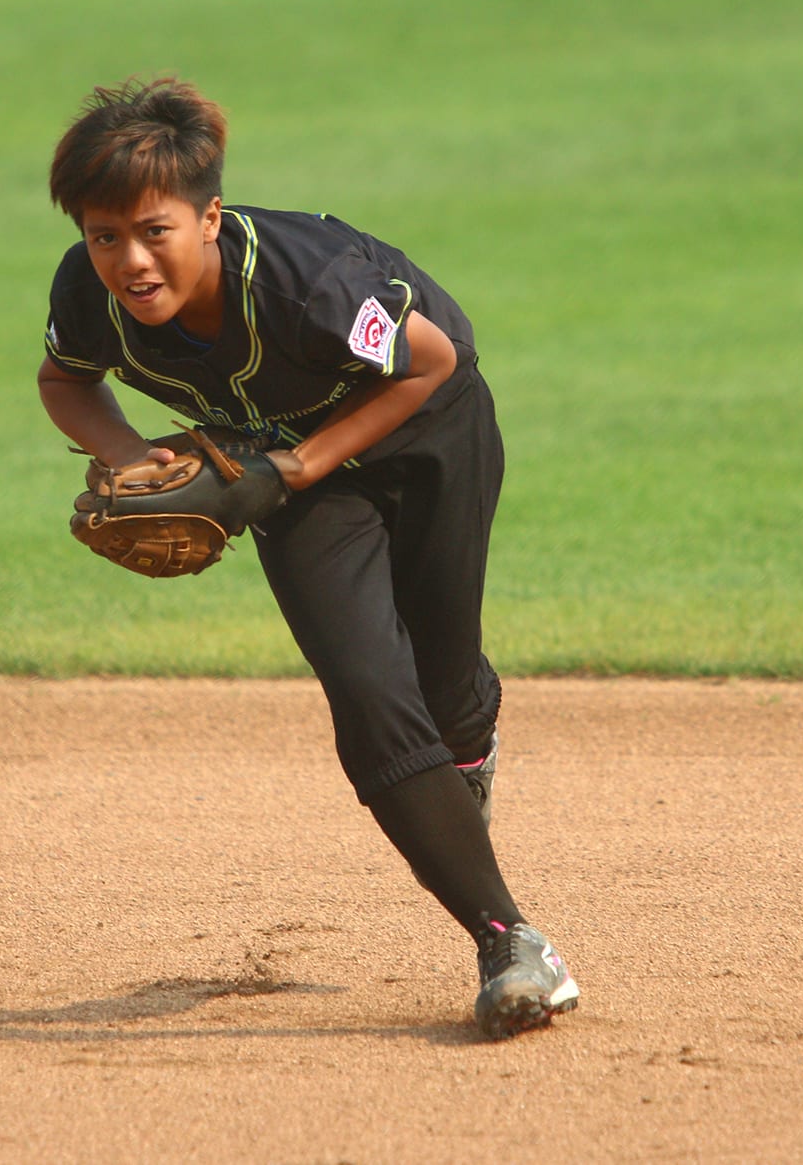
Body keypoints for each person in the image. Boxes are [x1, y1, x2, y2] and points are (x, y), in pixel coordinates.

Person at [36, 76, 577, 1040]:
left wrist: (293, 466)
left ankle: (464, 752)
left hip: (425, 436)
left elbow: (433, 361)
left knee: (445, 685)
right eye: (103, 235)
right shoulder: (90, 294)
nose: (128, 259)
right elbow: (63, 380)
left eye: (153, 229)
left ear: (208, 217)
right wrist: (134, 456)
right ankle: (510, 941)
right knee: (370, 693)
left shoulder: (300, 278)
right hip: (283, 477)